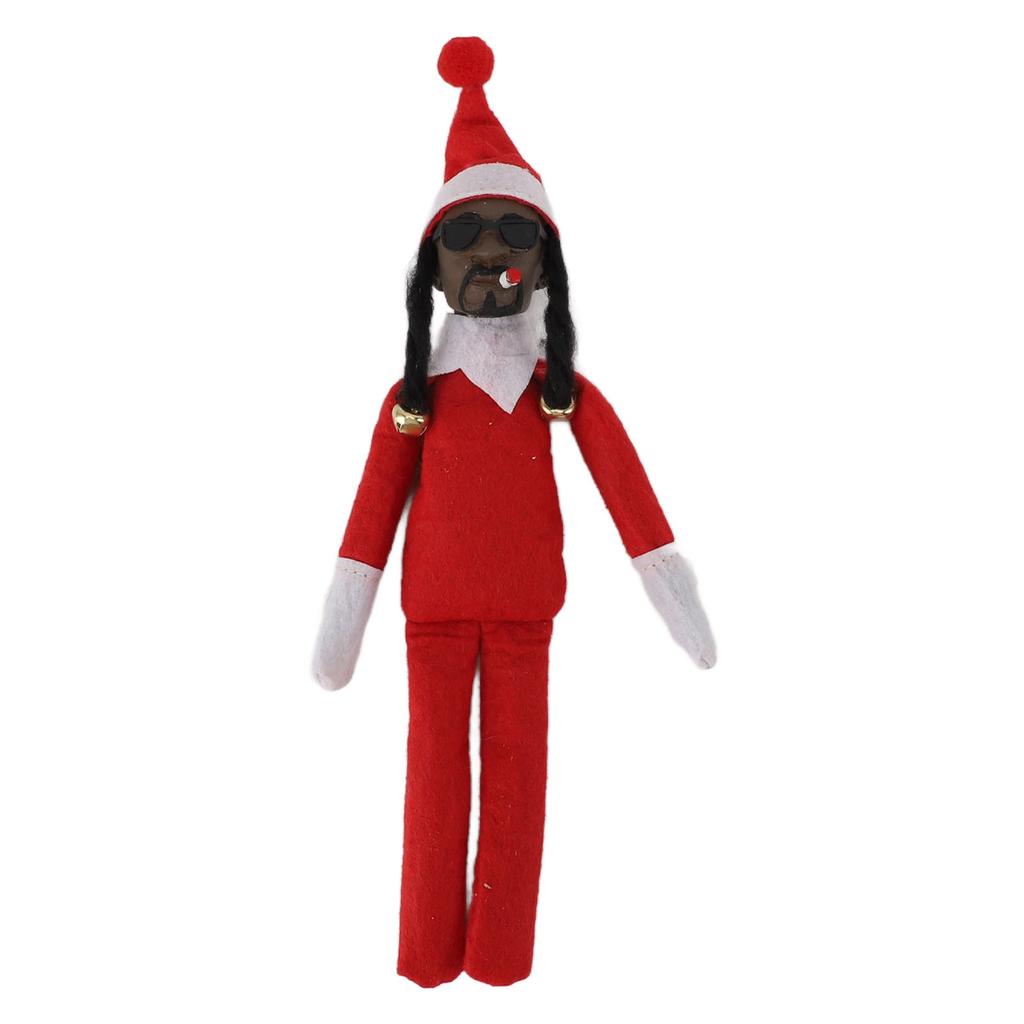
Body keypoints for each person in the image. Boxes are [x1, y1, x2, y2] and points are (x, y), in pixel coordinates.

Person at [312, 36, 715, 988]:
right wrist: (341, 626)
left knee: (519, 782)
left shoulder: (556, 389)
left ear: (545, 265)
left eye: (513, 232)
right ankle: (427, 951)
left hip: (528, 615)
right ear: (431, 269)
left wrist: (677, 598)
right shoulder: (414, 399)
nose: (490, 250)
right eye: (465, 233)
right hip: (434, 619)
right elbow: (370, 515)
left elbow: (628, 491)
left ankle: (499, 956)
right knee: (433, 780)